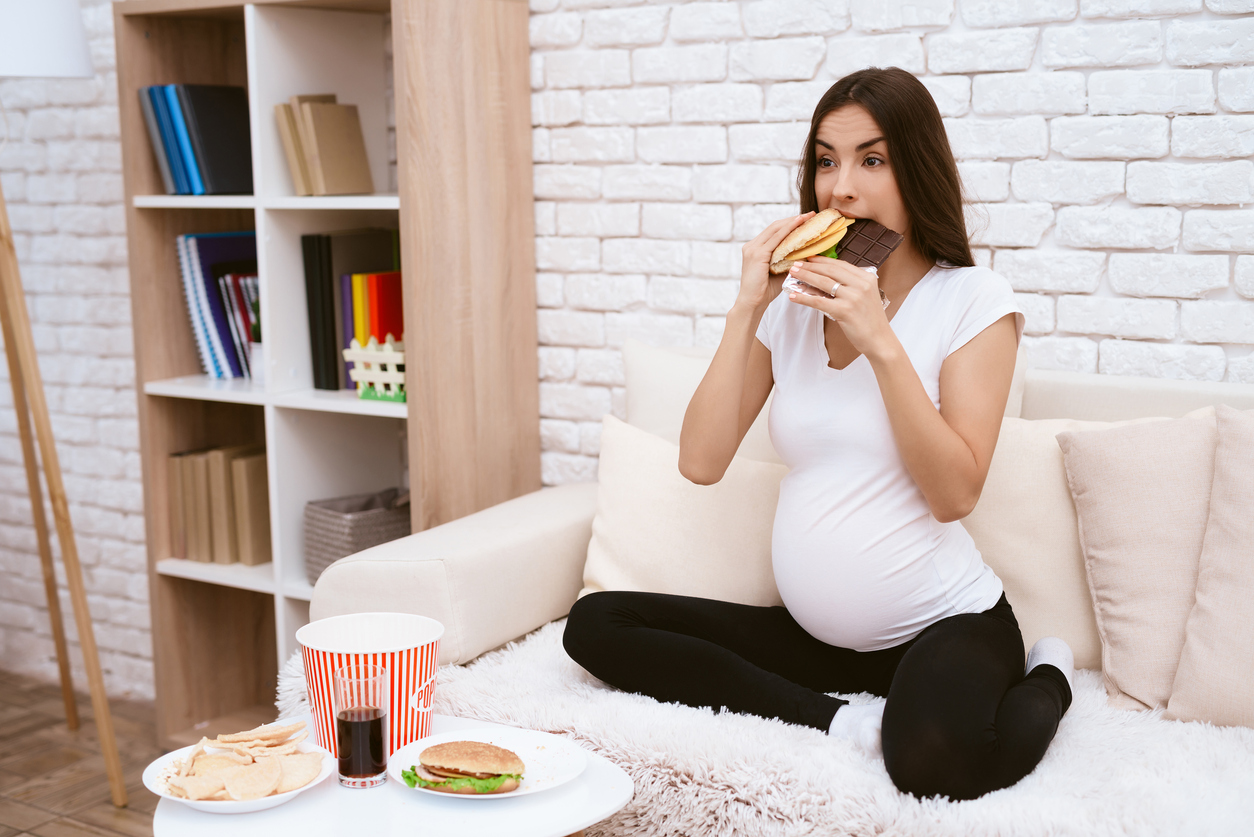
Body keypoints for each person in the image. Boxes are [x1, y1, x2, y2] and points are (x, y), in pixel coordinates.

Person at [561, 66, 1074, 801]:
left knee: (934, 760)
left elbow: (955, 491)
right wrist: (747, 307)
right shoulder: (794, 309)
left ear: (916, 168)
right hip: (817, 645)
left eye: (871, 159)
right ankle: (830, 719)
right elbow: (701, 460)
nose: (842, 187)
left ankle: (1050, 675)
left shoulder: (973, 300)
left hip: (944, 622)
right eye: (826, 161)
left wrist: (881, 342)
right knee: (597, 623)